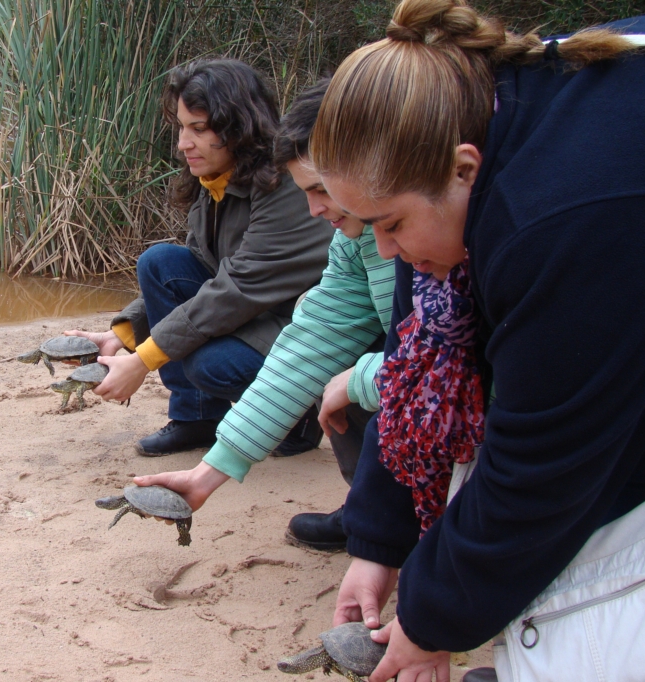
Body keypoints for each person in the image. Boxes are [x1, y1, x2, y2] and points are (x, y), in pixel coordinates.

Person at [304, 1, 645, 680]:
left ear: (463, 170)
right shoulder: (460, 126)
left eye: (391, 224)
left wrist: (431, 619)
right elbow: (414, 368)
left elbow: (542, 468)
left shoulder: (564, 215)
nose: (385, 248)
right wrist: (379, 543)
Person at [134, 81, 397, 550]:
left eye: (320, 190)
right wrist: (210, 470)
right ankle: (372, 509)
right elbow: (313, 341)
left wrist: (361, 378)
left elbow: (461, 364)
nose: (315, 210)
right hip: (379, 363)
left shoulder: (459, 232)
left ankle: (399, 517)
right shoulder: (353, 238)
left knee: (347, 373)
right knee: (331, 364)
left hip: (470, 405)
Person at [67, 60, 334, 457]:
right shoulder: (216, 181)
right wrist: (122, 335)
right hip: (256, 314)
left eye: (200, 129)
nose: (183, 143)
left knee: (211, 364)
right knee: (160, 263)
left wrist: (143, 360)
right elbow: (202, 268)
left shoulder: (286, 186)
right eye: (181, 127)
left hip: (302, 329)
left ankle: (297, 416)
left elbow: (235, 290)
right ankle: (196, 420)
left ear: (239, 127)